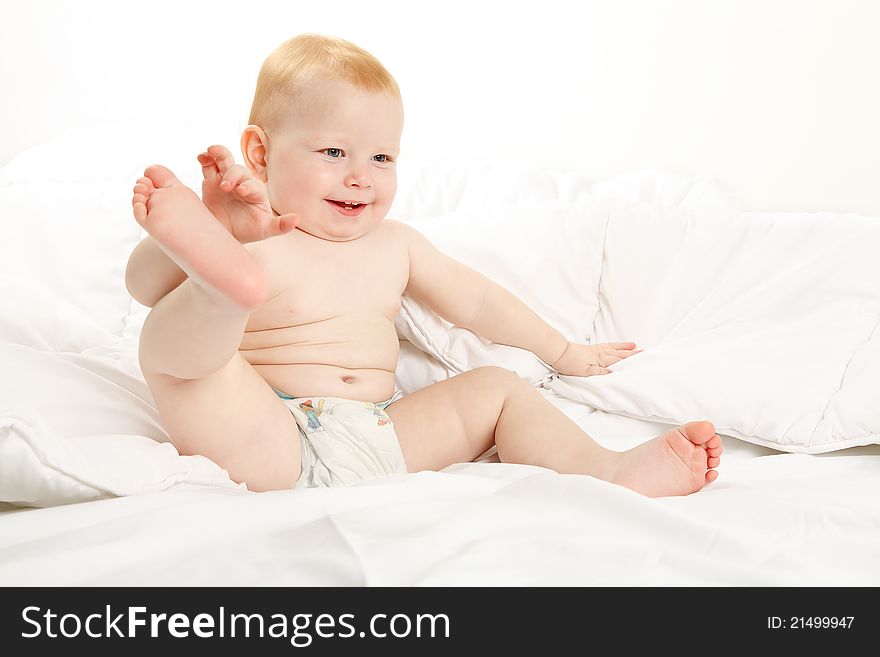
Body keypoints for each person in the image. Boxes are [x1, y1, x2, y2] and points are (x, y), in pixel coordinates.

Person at [125, 34, 721, 496]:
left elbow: (479, 303)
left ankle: (607, 472)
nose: (361, 175)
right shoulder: (257, 234)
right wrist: (219, 234)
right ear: (260, 153)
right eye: (334, 152)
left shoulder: (395, 244)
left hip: (382, 436)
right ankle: (217, 288)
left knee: (498, 390)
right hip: (268, 432)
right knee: (178, 353)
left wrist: (564, 352)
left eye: (382, 157)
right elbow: (144, 287)